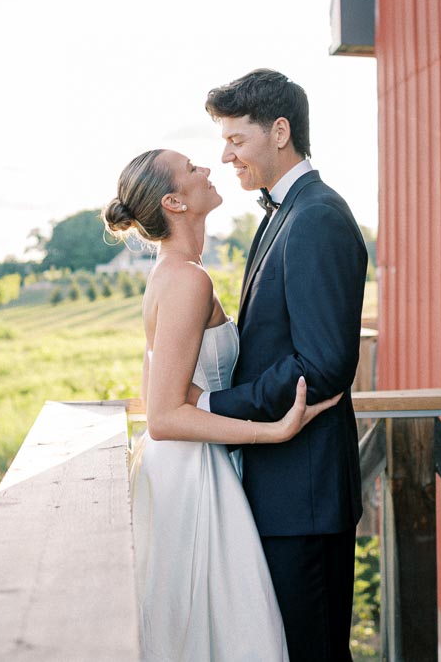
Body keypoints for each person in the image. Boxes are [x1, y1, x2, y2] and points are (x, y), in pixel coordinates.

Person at [104, 147, 341, 662]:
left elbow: (156, 397)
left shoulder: (175, 273)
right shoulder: (188, 280)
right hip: (192, 476)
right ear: (174, 201)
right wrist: (273, 432)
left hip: (194, 466)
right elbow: (164, 418)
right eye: (191, 169)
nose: (207, 168)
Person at [193, 69, 368, 662]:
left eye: (236, 140)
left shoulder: (316, 216)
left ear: (280, 131)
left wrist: (215, 407)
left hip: (306, 494)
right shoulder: (279, 213)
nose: (226, 156)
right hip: (281, 487)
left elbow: (321, 364)